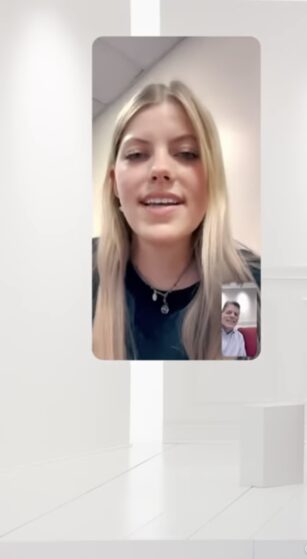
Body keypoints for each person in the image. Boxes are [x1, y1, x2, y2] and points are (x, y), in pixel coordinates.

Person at [92, 81, 259, 360]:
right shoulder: (73, 275)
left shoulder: (245, 285)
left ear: (211, 178)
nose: (160, 169)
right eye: (136, 155)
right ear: (114, 184)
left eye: (186, 153)